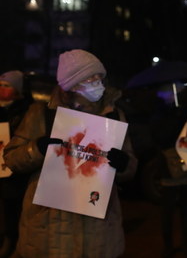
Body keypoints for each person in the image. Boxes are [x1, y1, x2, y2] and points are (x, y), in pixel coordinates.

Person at [3, 49, 137, 257]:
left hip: (98, 231)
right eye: (90, 79)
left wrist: (124, 164)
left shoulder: (114, 116)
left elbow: (130, 167)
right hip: (49, 227)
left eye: (99, 78)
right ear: (72, 84)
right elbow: (11, 158)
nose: (98, 84)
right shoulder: (42, 114)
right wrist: (36, 149)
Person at [0, 70, 33, 258]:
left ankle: (12, 239)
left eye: (7, 86)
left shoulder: (26, 111)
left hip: (14, 172)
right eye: (0, 85)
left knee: (13, 207)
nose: (2, 89)